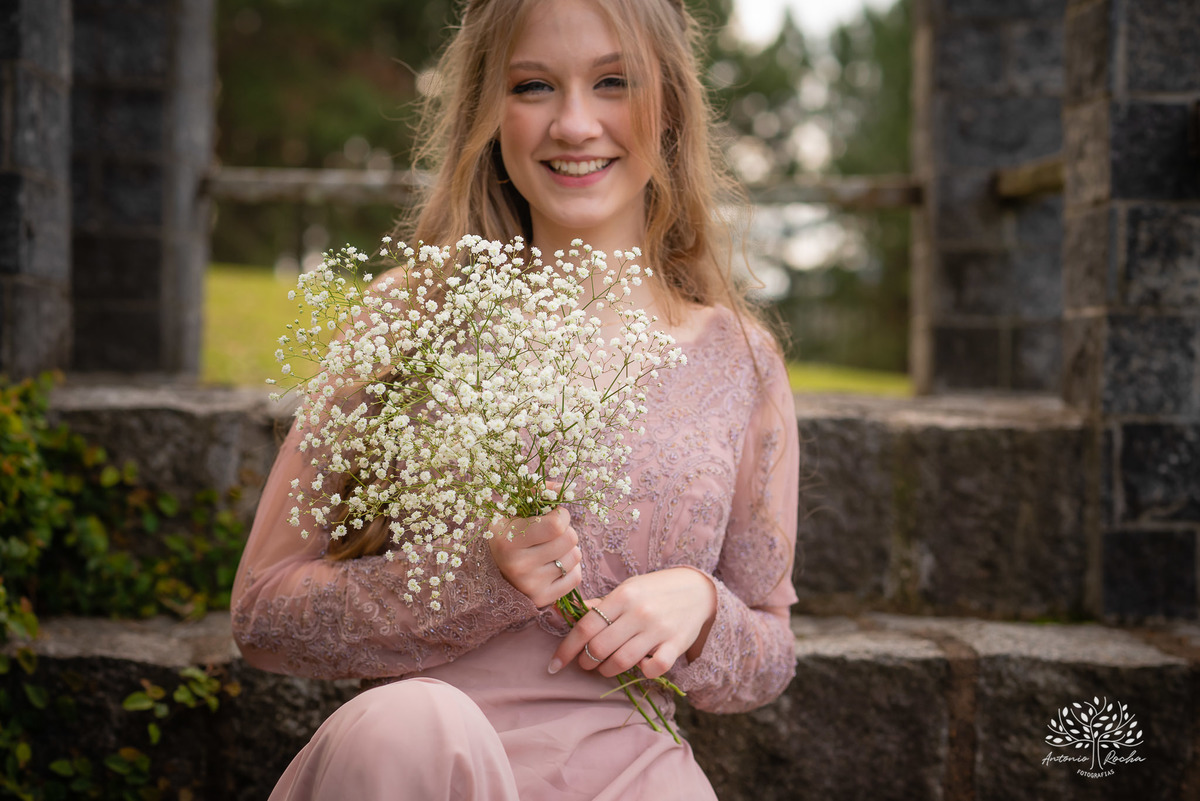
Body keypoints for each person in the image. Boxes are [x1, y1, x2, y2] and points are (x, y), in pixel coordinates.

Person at [231, 0, 801, 798]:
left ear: (668, 102)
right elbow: (262, 616)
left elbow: (770, 653)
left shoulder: (739, 360)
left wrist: (703, 607)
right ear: (489, 112)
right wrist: (476, 576)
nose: (574, 123)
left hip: (634, 776)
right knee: (414, 725)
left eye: (613, 81)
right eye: (533, 86)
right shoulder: (411, 320)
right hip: (420, 766)